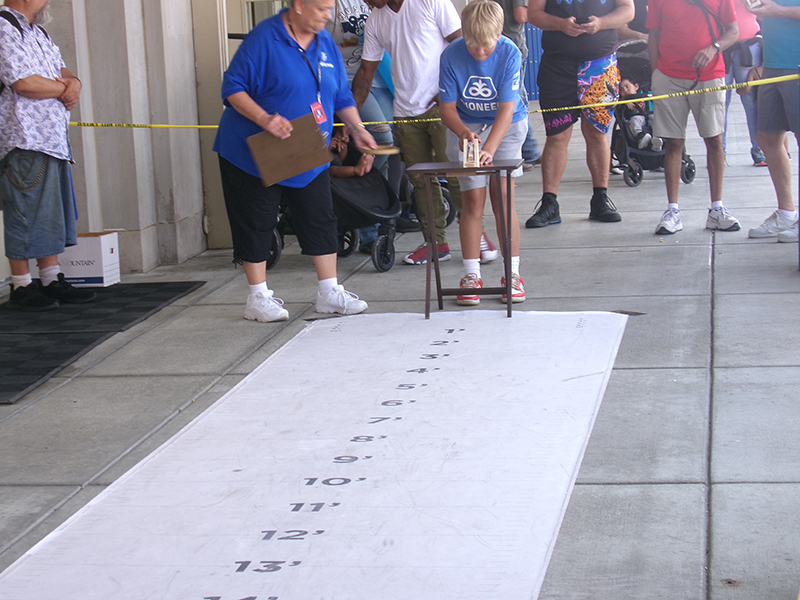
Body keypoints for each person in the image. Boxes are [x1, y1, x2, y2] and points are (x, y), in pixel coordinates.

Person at [213, 0, 375, 323]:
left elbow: (341, 94)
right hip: (254, 148)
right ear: (298, 5)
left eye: (330, 9)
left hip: (304, 143)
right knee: (257, 218)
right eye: (321, 8)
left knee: (319, 215)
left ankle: (329, 291)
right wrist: (265, 119)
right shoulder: (265, 39)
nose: (328, 16)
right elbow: (232, 88)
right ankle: (257, 296)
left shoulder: (324, 41)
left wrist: (357, 129)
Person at [353, 0, 501, 266]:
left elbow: (463, 45)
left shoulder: (430, 2)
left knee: (458, 175)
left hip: (444, 108)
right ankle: (436, 244)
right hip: (404, 112)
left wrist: (450, 92)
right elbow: (366, 72)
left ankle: (479, 237)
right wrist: (350, 121)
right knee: (421, 181)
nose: (364, 1)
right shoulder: (376, 19)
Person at [0, 0, 96, 312]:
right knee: (26, 211)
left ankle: (50, 277)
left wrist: (74, 83)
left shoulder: (37, 32)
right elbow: (23, 81)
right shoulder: (4, 26)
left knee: (51, 213)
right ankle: (21, 284)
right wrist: (63, 89)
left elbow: (62, 70)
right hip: (24, 139)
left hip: (51, 140)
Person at [439, 0, 527, 305]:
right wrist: (463, 133)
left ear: (499, 33)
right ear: (463, 33)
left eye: (486, 45)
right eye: (472, 44)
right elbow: (446, 108)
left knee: (502, 196)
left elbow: (506, 108)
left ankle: (512, 274)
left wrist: (490, 148)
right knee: (472, 199)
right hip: (466, 124)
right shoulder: (451, 54)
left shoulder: (510, 52)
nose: (478, 52)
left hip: (507, 125)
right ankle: (471, 274)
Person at [525, 0, 634, 229]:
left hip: (601, 66)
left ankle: (600, 199)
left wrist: (601, 23)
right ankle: (549, 204)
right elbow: (533, 14)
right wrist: (559, 24)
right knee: (556, 135)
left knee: (596, 133)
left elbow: (628, 10)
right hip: (557, 67)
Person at [647, 0, 740, 235]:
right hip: (668, 75)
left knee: (714, 140)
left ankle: (717, 210)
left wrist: (714, 48)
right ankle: (672, 210)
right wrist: (655, 73)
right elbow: (654, 34)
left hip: (710, 74)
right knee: (673, 143)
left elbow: (733, 31)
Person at [745, 0, 799, 243]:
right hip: (773, 65)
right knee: (767, 136)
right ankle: (787, 212)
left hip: (795, 65)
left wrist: (776, 11)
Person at [491, 0, 542, 170]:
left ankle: (527, 151)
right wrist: (537, 12)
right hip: (513, 46)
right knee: (518, 100)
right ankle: (528, 152)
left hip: (492, 45)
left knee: (510, 99)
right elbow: (520, 16)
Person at [722, 0, 765, 166]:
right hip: (722, 46)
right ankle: (719, 150)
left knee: (751, 100)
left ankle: (759, 148)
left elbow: (764, 12)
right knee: (720, 102)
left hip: (748, 45)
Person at [619, 76, 662, 151]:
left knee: (655, 119)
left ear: (636, 86)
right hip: (636, 116)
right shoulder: (624, 101)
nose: (625, 90)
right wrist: (625, 102)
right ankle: (640, 137)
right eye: (621, 89)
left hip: (650, 114)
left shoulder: (645, 93)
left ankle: (657, 139)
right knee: (634, 121)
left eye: (627, 86)